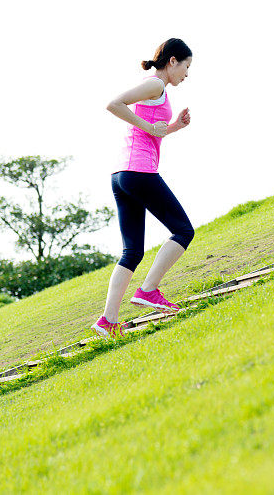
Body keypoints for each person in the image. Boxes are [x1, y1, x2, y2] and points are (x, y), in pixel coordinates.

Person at [92, 38, 195, 338]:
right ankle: (149, 290)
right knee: (183, 230)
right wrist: (151, 128)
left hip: (122, 174)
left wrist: (173, 127)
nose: (187, 75)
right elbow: (113, 104)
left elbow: (150, 129)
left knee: (132, 251)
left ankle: (107, 321)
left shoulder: (155, 89)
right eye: (186, 67)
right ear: (172, 61)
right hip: (139, 171)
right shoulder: (156, 85)